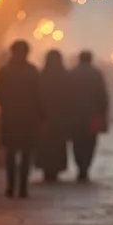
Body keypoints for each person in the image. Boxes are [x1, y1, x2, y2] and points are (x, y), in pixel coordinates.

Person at [0, 40, 42, 197]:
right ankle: (22, 187)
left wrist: (7, 105)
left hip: (10, 117)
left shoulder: (5, 71)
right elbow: (40, 95)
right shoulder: (32, 71)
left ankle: (11, 186)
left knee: (11, 152)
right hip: (28, 118)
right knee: (26, 153)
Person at [66, 50, 109, 181]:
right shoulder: (96, 74)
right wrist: (103, 112)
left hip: (74, 114)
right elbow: (102, 95)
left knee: (77, 141)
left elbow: (66, 95)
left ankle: (80, 165)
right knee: (90, 141)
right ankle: (86, 165)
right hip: (93, 114)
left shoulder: (72, 73)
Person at [37, 50, 72, 182]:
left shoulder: (42, 76)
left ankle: (47, 169)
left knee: (46, 144)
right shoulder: (65, 76)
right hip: (60, 117)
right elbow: (70, 98)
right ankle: (56, 168)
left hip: (44, 116)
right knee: (57, 144)